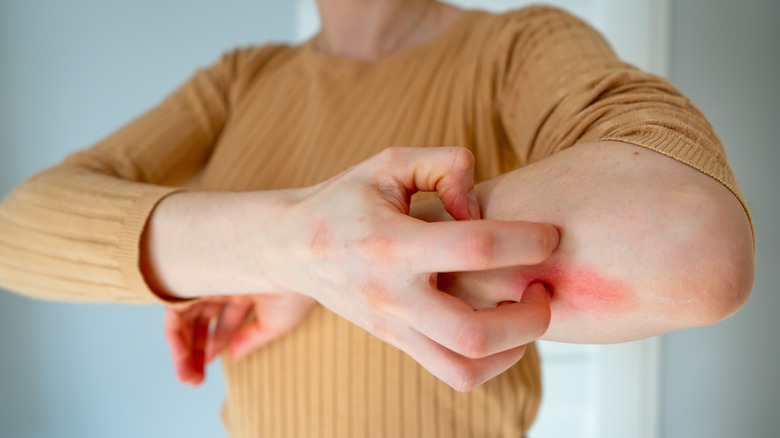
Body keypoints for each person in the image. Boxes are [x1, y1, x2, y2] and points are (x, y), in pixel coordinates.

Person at [0, 0, 754, 436]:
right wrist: (289, 252)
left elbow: (692, 240)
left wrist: (318, 262)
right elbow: (19, 233)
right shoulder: (241, 79)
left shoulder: (519, 47)